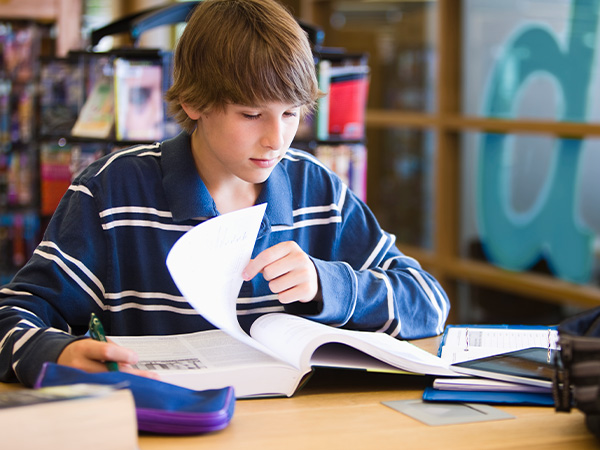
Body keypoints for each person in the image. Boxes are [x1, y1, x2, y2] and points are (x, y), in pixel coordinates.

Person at [0, 0, 450, 387]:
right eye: (252, 114)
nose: (277, 139)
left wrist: (325, 285)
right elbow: (13, 316)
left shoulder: (318, 191)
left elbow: (428, 303)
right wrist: (56, 353)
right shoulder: (109, 193)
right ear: (194, 102)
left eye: (291, 113)